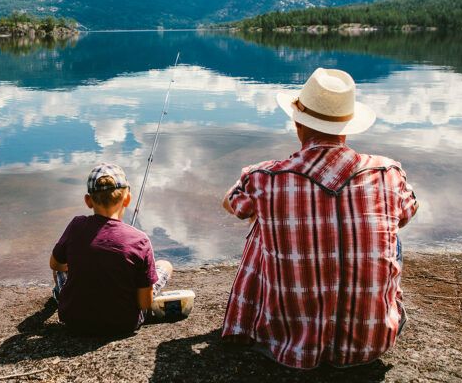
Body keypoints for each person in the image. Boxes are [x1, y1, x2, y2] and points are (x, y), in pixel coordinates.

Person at [221, 68, 418, 369]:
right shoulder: (387, 173)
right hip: (373, 343)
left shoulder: (265, 177)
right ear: (346, 128)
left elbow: (231, 204)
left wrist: (276, 211)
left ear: (298, 124)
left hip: (287, 348)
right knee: (390, 230)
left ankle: (269, 324)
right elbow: (405, 215)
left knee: (263, 224)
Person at [50, 163, 173, 335]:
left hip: (73, 320)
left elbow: (55, 264)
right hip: (123, 323)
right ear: (127, 198)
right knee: (165, 265)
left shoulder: (76, 225)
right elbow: (144, 303)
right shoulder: (140, 240)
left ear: (88, 200)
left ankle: (60, 295)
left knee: (62, 266)